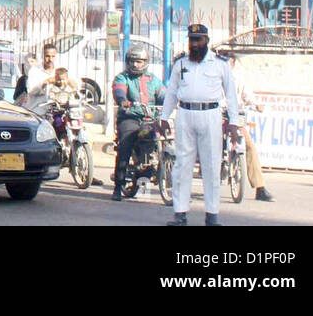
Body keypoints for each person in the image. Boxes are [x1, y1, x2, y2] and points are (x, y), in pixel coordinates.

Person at [160, 23, 242, 226]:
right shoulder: (181, 63)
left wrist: (233, 122)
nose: (194, 44)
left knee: (212, 165)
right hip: (185, 114)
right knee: (182, 165)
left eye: (198, 40)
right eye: (191, 40)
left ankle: (212, 215)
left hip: (210, 114)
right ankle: (180, 214)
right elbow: (171, 92)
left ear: (206, 40)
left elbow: (231, 95)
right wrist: (164, 116)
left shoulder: (219, 63)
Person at [110, 43, 165, 201]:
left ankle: (151, 167)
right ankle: (118, 186)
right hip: (130, 117)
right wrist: (123, 100)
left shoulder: (152, 79)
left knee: (161, 138)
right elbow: (119, 90)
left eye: (139, 61)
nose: (135, 64)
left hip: (149, 119)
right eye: (132, 61)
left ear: (145, 62)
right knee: (125, 145)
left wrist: (170, 100)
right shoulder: (123, 77)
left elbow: (163, 93)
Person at [222, 50, 273, 202]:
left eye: (229, 62)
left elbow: (247, 96)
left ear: (233, 64)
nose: (227, 65)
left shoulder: (238, 79)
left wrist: (257, 104)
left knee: (249, 146)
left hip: (236, 119)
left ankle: (260, 188)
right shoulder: (213, 79)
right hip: (219, 118)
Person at [23, 44, 60, 110]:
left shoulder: (60, 71)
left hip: (56, 110)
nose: (50, 59)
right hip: (37, 109)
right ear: (42, 56)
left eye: (53, 56)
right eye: (47, 56)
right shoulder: (34, 71)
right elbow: (31, 91)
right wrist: (45, 83)